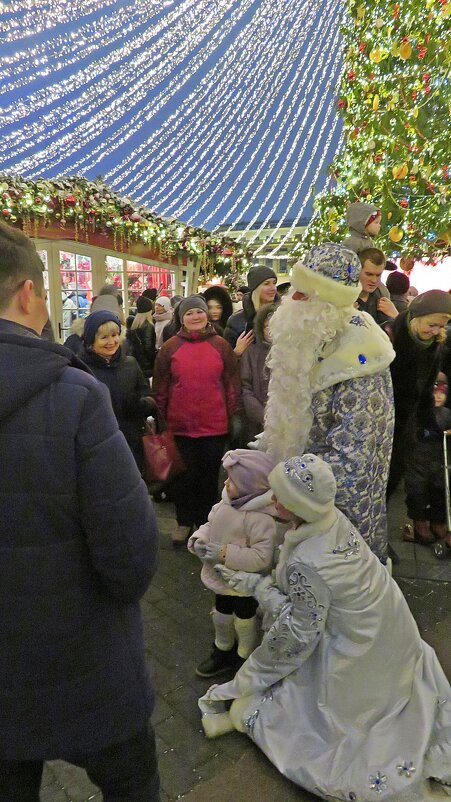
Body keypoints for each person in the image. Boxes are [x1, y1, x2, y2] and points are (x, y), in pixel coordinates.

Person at [0, 223, 160, 802]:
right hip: (83, 662)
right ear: (26, 294)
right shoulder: (74, 395)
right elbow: (132, 552)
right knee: (131, 783)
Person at [199, 454, 451, 802]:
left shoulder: (308, 562)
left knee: (311, 714)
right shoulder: (331, 519)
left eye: (280, 498)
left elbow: (298, 632)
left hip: (354, 645)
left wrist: (254, 586)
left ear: (299, 506)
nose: (272, 501)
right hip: (389, 626)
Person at [262, 243, 395, 562]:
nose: (291, 298)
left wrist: (290, 490)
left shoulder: (360, 358)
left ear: (330, 303)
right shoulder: (310, 340)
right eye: (295, 287)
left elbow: (354, 461)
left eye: (304, 293)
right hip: (297, 510)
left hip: (338, 530)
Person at [153, 295, 241, 546]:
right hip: (180, 426)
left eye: (199, 312)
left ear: (206, 316)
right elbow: (161, 387)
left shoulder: (221, 345)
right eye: (189, 313)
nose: (195, 317)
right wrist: (161, 420)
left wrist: (234, 414)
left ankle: (206, 524)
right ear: (182, 318)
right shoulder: (170, 347)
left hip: (214, 426)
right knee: (182, 478)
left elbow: (231, 383)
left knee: (208, 477)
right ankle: (183, 522)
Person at [188, 449, 277, 678]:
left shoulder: (262, 519)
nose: (226, 483)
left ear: (251, 486)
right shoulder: (226, 503)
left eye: (232, 480)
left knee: (244, 618)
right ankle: (222, 648)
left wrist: (225, 553)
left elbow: (260, 557)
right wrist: (200, 539)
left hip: (244, 582)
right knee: (221, 612)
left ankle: (244, 655)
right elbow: (211, 524)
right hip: (221, 574)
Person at [386, 290, 451, 508]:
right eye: (431, 324)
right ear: (416, 316)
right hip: (380, 421)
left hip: (405, 426)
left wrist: (426, 418)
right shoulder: (389, 336)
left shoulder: (434, 344)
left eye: (441, 326)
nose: (435, 331)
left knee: (392, 479)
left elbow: (425, 388)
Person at [80, 310, 154, 470]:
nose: (111, 342)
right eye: (104, 337)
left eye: (114, 335)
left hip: (130, 441)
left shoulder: (130, 364)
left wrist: (139, 404)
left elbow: (149, 397)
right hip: (97, 444)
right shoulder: (81, 368)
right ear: (91, 341)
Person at [403, 371, 451, 549]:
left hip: (439, 461)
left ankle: (438, 521)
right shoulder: (419, 414)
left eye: (442, 391)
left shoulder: (446, 413)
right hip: (418, 461)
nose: (438, 396)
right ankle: (420, 523)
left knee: (440, 490)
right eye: (434, 391)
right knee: (417, 491)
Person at [240, 302, 278, 441]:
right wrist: (262, 415)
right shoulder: (251, 352)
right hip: (256, 423)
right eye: (267, 326)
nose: (271, 330)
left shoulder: (292, 352)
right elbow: (245, 386)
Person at [224, 265, 278, 355]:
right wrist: (236, 353)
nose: (273, 288)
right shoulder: (236, 321)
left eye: (274, 283)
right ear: (255, 288)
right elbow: (226, 360)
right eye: (266, 283)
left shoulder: (283, 316)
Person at [355, 247, 398, 328]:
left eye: (378, 275)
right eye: (369, 274)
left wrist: (396, 317)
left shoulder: (383, 299)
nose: (374, 281)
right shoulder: (345, 300)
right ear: (357, 271)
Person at [126, 294, 157, 379]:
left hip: (137, 362)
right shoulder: (148, 325)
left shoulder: (135, 323)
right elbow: (148, 348)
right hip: (146, 365)